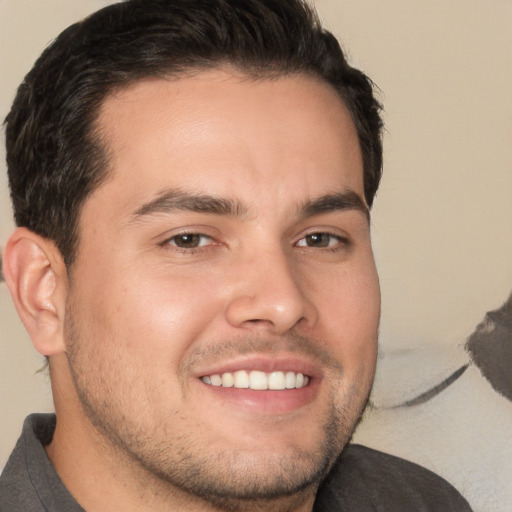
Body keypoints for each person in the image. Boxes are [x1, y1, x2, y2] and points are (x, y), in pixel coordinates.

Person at [0, 1, 473, 510]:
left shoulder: (417, 502)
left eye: (320, 238)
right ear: (43, 293)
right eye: (189, 240)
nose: (281, 302)